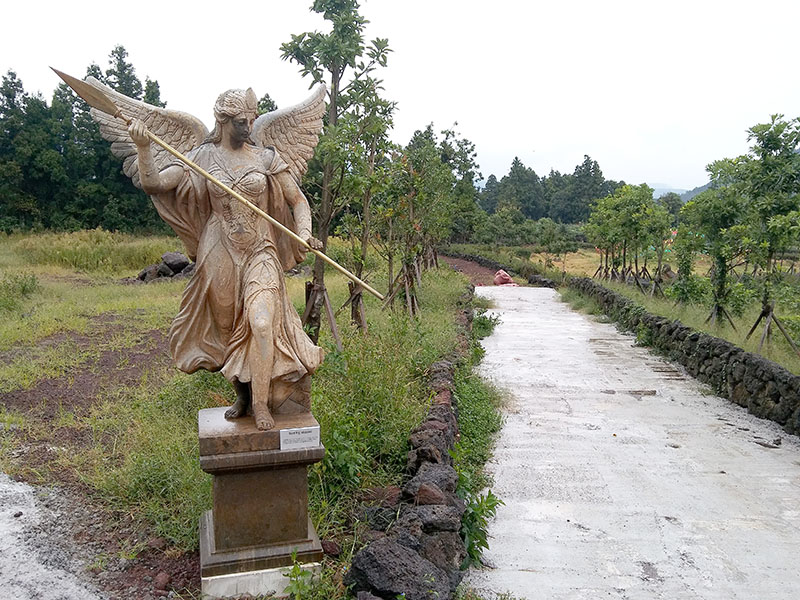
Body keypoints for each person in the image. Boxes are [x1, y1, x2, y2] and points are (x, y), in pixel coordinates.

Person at [128, 89, 324, 431]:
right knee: (227, 331)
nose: (248, 126)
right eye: (240, 122)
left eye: (250, 119)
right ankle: (244, 396)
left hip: (260, 250)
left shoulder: (264, 158)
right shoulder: (200, 157)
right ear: (222, 121)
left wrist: (304, 232)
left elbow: (298, 200)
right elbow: (155, 184)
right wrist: (144, 149)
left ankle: (262, 404)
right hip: (218, 250)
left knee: (261, 323)